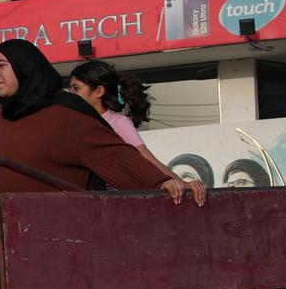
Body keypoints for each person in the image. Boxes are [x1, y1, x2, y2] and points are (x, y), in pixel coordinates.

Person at [0, 40, 202, 203]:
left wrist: (160, 182)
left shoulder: (64, 113)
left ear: (25, 67)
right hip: (12, 237)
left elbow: (114, 155)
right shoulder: (4, 116)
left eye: (2, 65)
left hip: (61, 235)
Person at [67, 61, 196, 199]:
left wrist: (182, 184)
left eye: (76, 88)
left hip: (112, 203)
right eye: (70, 88)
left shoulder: (118, 123)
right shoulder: (75, 124)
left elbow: (145, 158)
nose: (70, 93)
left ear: (99, 91)